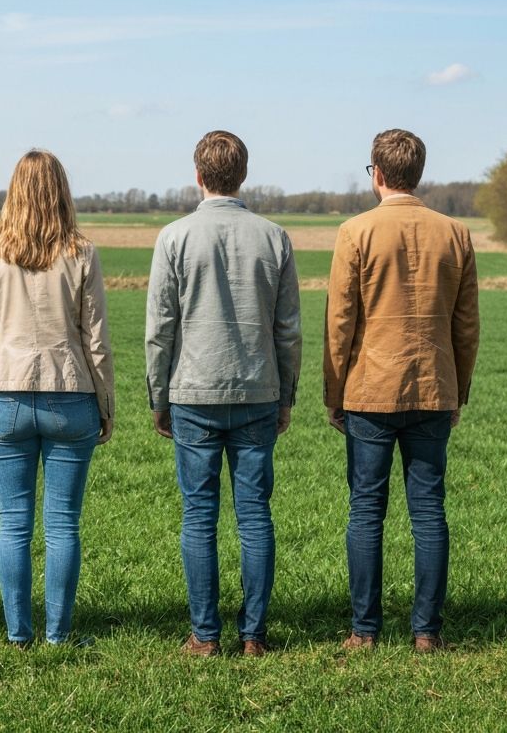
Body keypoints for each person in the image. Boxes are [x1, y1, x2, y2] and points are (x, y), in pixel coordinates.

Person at [146, 130, 301, 658]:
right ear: (243, 174)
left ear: (198, 175)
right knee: (255, 515)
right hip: (258, 389)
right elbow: (288, 329)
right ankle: (253, 637)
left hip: (193, 390)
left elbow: (159, 329)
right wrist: (287, 395)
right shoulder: (275, 236)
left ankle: (205, 635)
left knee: (199, 515)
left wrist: (157, 396)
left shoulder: (174, 237)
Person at [324, 129, 479, 653]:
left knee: (366, 509)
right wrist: (459, 388)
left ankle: (364, 630)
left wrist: (332, 391)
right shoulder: (455, 233)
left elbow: (339, 321)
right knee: (429, 511)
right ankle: (426, 633)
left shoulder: (355, 231)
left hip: (369, 389)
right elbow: (466, 325)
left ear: (378, 173)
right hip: (434, 387)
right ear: (418, 173)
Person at [0, 150, 114, 647]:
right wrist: (106, 402)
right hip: (70, 394)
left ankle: (17, 633)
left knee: (13, 522)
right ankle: (58, 634)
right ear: (61, 192)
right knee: (62, 525)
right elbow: (95, 339)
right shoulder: (81, 252)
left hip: (5, 391)